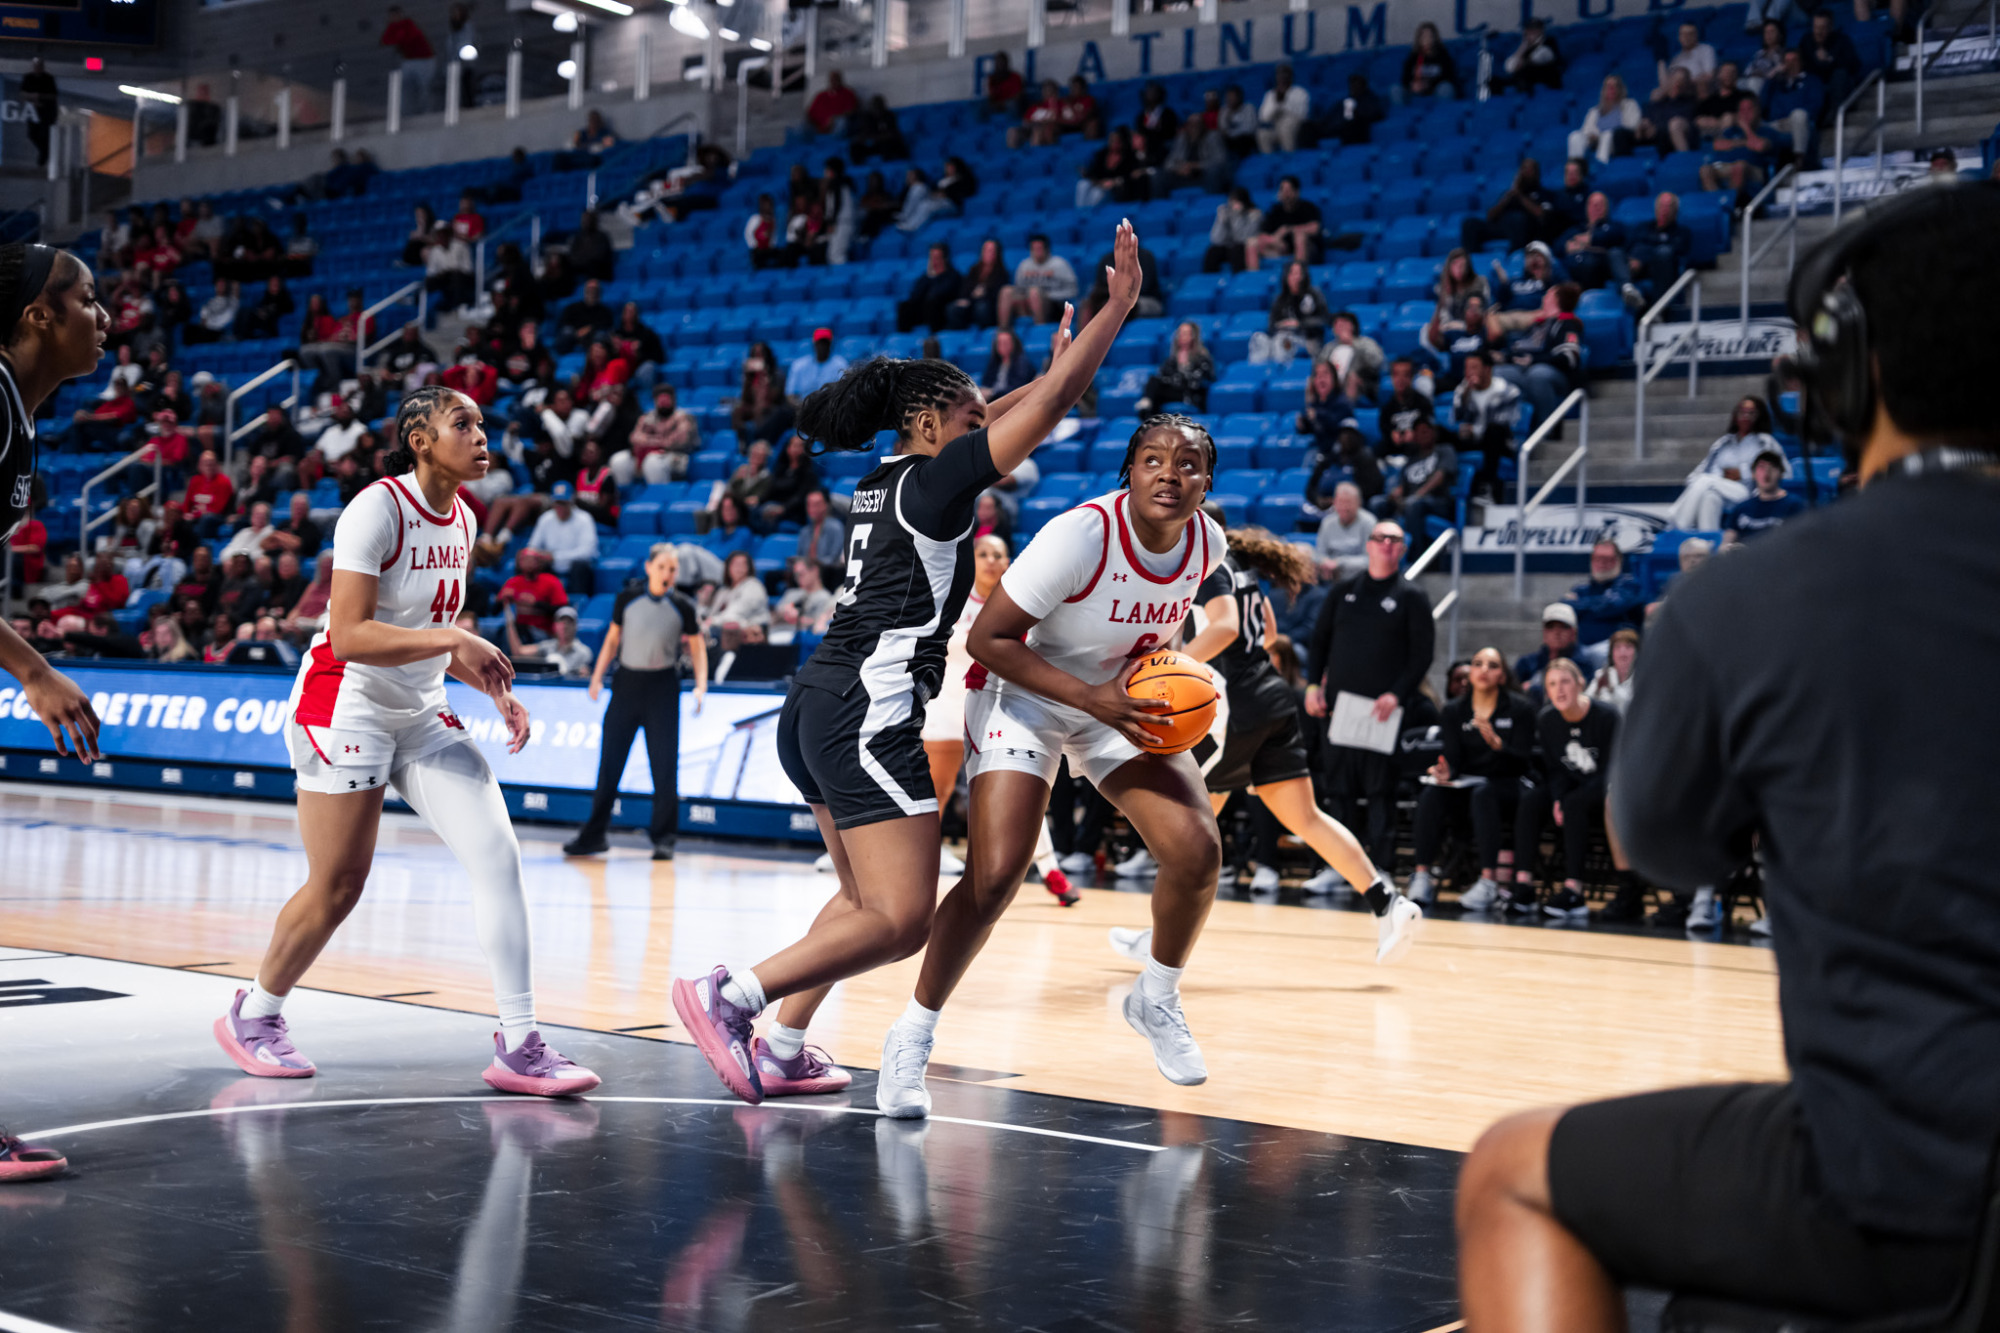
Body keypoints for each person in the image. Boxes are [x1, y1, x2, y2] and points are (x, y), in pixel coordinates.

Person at [1458, 177, 2000, 1333]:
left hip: (1901, 1180)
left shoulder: (1747, 599)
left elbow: (1658, 845)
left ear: (1849, 376)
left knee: (1508, 1173)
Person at [666, 227, 1137, 1111]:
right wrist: (1114, 315)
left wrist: (1049, 368)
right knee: (900, 917)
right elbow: (1043, 411)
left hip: (815, 702)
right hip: (869, 710)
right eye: (967, 419)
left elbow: (1001, 408)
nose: (982, 426)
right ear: (930, 426)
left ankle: (789, 1044)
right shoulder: (936, 484)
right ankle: (729, 997)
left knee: (855, 899)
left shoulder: (885, 480)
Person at [214, 386, 599, 1097]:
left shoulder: (465, 518)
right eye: (464, 423)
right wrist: (455, 637)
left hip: (420, 709)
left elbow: (427, 629)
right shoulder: (376, 508)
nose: (482, 436)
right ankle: (254, 1012)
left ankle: (520, 1043)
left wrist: (489, 682)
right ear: (420, 438)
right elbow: (355, 633)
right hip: (344, 704)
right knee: (338, 885)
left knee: (497, 853)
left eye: (483, 424)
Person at [880, 415, 1231, 1116]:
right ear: (1128, 470)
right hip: (1029, 693)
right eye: (1154, 460)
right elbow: (987, 639)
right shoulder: (1081, 536)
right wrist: (1089, 698)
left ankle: (1155, 997)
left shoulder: (1207, 542)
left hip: (1120, 701)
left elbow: (1160, 633)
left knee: (1198, 849)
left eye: (1188, 465)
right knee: (998, 873)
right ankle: (912, 1032)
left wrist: (1168, 683)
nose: (1170, 473)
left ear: (1206, 482)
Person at [915, 532, 1077, 896]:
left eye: (998, 555)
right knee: (935, 793)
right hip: (947, 706)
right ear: (972, 561)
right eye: (983, 553)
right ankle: (918, 868)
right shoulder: (950, 600)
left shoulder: (1022, 606)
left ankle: (1050, 870)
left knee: (1024, 787)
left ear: (1008, 563)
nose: (991, 560)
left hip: (997, 706)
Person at [1304, 519, 1435, 868]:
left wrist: (1397, 694)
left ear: (1403, 549)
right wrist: (1313, 685)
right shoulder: (1343, 591)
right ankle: (1336, 869)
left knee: (1381, 794)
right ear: (1369, 544)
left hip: (1383, 712)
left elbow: (1422, 656)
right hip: (1339, 709)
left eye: (1394, 539)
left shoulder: (1412, 596)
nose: (1386, 544)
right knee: (1338, 792)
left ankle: (1381, 871)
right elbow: (1319, 643)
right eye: (1380, 538)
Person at [563, 544, 707, 860]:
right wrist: (597, 676)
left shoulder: (683, 606)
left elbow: (697, 648)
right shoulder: (628, 599)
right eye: (662, 567)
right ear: (648, 567)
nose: (668, 574)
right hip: (626, 685)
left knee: (664, 766)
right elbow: (613, 640)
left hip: (662, 688)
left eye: (673, 569)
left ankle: (664, 838)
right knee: (610, 764)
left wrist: (701, 685)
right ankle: (594, 835)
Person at [1405, 645, 1539, 911]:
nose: (1483, 670)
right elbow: (1453, 758)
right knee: (1432, 792)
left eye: (1492, 665)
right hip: (1467, 783)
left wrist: (1499, 745)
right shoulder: (1455, 710)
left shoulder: (1520, 708)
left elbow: (1523, 760)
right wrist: (1445, 771)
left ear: (1502, 675)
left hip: (1508, 783)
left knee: (1484, 793)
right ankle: (1421, 876)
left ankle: (1488, 882)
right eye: (1478, 664)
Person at [1516, 656, 1620, 919]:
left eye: (1565, 682)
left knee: (1574, 804)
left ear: (1580, 684)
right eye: (1552, 684)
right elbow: (1555, 770)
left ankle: (1574, 890)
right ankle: (1523, 884)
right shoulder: (1547, 719)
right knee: (1530, 800)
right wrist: (1557, 798)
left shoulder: (1607, 716)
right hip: (1571, 787)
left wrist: (1567, 799)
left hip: (1607, 790)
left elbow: (1611, 770)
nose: (1559, 689)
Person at [1669, 396, 1786, 529]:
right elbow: (1699, 472)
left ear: (1760, 416)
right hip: (1717, 490)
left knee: (1706, 481)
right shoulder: (1722, 444)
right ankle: (1709, 541)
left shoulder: (1765, 442)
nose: (1746, 416)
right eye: (1742, 412)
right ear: (1735, 415)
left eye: (1751, 413)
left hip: (1746, 492)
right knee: (1709, 496)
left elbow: (1783, 470)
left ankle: (1676, 525)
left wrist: (1743, 473)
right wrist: (1697, 484)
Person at [1564, 539, 1644, 644]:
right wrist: (1599, 605)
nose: (1602, 563)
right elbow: (1566, 608)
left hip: (1616, 652)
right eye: (1598, 558)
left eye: (1607, 559)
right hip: (1581, 652)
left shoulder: (1629, 585)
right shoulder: (1580, 590)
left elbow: (1611, 606)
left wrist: (1580, 605)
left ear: (1619, 561)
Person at [1722, 448, 1809, 544]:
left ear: (1781, 473)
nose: (1766, 473)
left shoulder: (1795, 506)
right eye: (1761, 468)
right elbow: (1726, 544)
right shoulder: (1741, 508)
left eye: (1772, 468)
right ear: (1753, 474)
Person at [997, 234, 1077, 328]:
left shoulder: (1059, 264)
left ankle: (1040, 329)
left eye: (1039, 248)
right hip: (1027, 303)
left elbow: (1073, 291)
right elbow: (1019, 288)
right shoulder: (1024, 265)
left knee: (1034, 292)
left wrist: (1047, 295)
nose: (1037, 251)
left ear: (1047, 249)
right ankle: (1003, 329)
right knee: (1006, 291)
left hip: (1054, 304)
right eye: (1034, 248)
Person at [1244, 176, 1322, 272]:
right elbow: (1263, 234)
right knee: (1252, 242)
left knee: (1299, 236)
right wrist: (1274, 239)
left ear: (1296, 192)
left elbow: (1315, 228)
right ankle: (1253, 279)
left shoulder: (1308, 207)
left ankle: (1300, 275)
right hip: (1282, 248)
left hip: (1308, 249)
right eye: (1283, 190)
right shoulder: (1275, 211)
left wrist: (1289, 229)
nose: (1286, 194)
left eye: (1288, 190)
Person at [1136, 320, 1214, 415]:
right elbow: (1164, 374)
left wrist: (1181, 376)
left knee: (1157, 392)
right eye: (1179, 333)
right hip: (1173, 390)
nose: (1181, 336)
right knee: (1154, 383)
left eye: (1185, 333)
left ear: (1193, 336)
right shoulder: (1171, 358)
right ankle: (1147, 412)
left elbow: (1204, 378)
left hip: (1189, 393)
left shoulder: (1201, 357)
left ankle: (1147, 409)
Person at [1569, 76, 1641, 164]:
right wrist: (1591, 136)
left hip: (1616, 140)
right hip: (1595, 141)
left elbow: (1633, 125)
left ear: (1620, 89)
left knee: (1606, 135)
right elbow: (1585, 131)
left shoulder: (1630, 105)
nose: (1612, 89)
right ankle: (1576, 168)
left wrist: (1601, 135)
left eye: (1615, 86)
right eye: (1608, 86)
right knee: (1575, 136)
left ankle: (1601, 167)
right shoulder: (1594, 111)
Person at [381, 5, 437, 118]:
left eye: (395, 15)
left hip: (424, 60)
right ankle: (405, 113)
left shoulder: (408, 24)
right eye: (391, 16)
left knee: (424, 87)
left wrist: (395, 37)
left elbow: (405, 38)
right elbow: (385, 41)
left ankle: (427, 112)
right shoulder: (393, 27)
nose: (393, 18)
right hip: (409, 60)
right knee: (403, 87)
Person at [1514, 601, 1580, 693]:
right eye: (1551, 627)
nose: (1557, 632)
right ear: (1544, 632)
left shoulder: (1582, 665)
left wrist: (1535, 688)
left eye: (1563, 627)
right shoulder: (1525, 663)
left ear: (1573, 633)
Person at [897, 244, 961, 334]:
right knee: (904, 306)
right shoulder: (926, 277)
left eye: (937, 257)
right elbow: (915, 296)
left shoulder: (953, 276)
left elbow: (941, 293)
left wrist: (936, 278)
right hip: (924, 311)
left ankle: (935, 338)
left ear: (945, 258)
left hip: (942, 312)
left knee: (932, 303)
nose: (934, 261)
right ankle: (904, 339)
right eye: (932, 257)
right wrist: (929, 277)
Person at [1315, 481, 1371, 580]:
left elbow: (1369, 560)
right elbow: (1320, 554)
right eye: (1340, 502)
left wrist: (1339, 562)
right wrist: (1324, 562)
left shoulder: (1369, 522)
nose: (1344, 507)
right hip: (1330, 577)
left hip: (1358, 578)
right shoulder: (1327, 522)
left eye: (1348, 502)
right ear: (1334, 502)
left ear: (1358, 503)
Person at [1204, 188, 1265, 274]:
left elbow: (1242, 238)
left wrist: (1238, 217)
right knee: (1213, 251)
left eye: (1236, 201)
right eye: (1231, 201)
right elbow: (1215, 239)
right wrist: (1221, 221)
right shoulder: (1226, 214)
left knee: (1236, 249)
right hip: (1229, 247)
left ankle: (1239, 279)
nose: (1233, 205)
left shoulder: (1254, 215)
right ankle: (1209, 281)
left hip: (1245, 247)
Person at [1497, 17, 1564, 95]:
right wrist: (1523, 47)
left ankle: (1524, 99)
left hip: (1546, 76)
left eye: (1533, 30)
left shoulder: (1549, 42)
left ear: (1540, 31)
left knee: (1524, 74)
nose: (1528, 33)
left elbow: (1541, 56)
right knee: (1494, 81)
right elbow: (1509, 66)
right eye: (1528, 30)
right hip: (1527, 75)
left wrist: (1523, 63)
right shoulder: (1526, 45)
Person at [1398, 21, 1461, 101]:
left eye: (1429, 36)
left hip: (1436, 91)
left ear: (1435, 38)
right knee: (1396, 90)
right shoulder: (1413, 57)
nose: (1427, 40)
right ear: (1419, 39)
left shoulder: (1443, 56)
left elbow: (1449, 78)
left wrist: (1429, 85)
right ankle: (1402, 112)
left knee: (1446, 88)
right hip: (1415, 94)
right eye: (1423, 36)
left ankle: (1443, 111)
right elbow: (1405, 79)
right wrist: (1412, 85)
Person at [1257, 62, 1311, 153]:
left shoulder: (1300, 92)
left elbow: (1303, 114)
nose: (1282, 78)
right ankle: (1270, 162)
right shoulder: (1270, 94)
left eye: (1285, 74)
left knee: (1286, 126)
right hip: (1276, 126)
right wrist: (1277, 104)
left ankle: (1289, 157)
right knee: (1262, 134)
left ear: (1290, 76)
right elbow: (1263, 117)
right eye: (1280, 75)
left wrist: (1284, 104)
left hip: (1296, 126)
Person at [1586, 626, 1639, 712]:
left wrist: (1613, 690)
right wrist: (1597, 690)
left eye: (1628, 646)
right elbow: (1586, 701)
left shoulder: (1641, 676)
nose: (1622, 652)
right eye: (1617, 647)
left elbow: (1634, 705)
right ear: (1611, 653)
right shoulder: (1601, 675)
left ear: (1637, 652)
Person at [980, 327, 1035, 397]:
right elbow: (986, 383)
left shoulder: (1022, 364)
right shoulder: (995, 362)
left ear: (1013, 344)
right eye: (1000, 343)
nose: (1003, 346)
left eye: (1006, 343)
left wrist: (992, 393)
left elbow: (1016, 389)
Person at [806, 70, 857, 136]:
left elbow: (852, 111)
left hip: (837, 126)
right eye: (832, 79)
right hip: (818, 127)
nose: (834, 81)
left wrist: (835, 118)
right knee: (801, 127)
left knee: (842, 122)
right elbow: (809, 112)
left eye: (836, 79)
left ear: (840, 80)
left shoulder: (848, 93)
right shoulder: (821, 95)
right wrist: (816, 125)